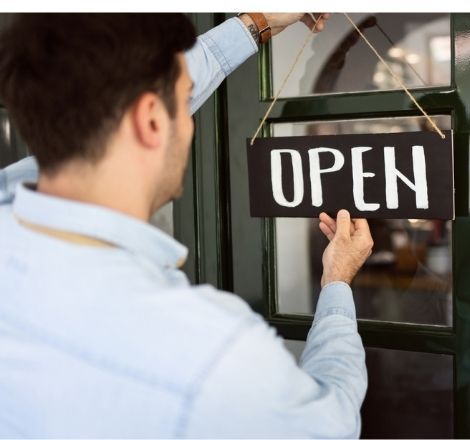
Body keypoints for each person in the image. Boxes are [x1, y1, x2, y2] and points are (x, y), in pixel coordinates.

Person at [0, 13, 374, 437]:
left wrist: (257, 23)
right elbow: (333, 425)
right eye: (186, 101)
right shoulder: (214, 356)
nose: (191, 119)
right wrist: (337, 282)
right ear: (152, 121)